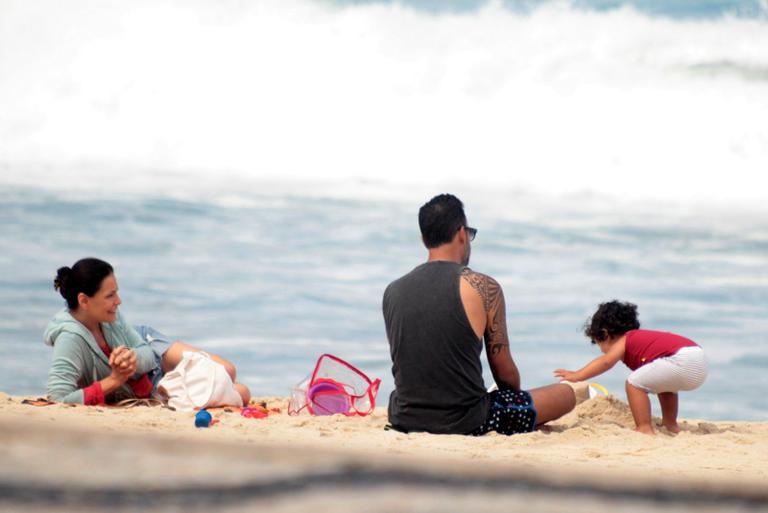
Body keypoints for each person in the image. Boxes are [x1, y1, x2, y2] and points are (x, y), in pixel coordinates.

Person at [383, 194, 576, 435]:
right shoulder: (484, 286)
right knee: (566, 394)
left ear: (424, 240)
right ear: (462, 233)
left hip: (404, 417)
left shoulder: (393, 290)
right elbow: (505, 373)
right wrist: (510, 398)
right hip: (467, 421)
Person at [45, 257, 251, 406]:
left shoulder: (111, 316)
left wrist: (130, 357)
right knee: (241, 392)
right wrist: (114, 380)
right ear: (84, 300)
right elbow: (58, 398)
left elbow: (146, 355)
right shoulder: (70, 338)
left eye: (116, 292)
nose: (118, 301)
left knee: (227, 370)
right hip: (148, 385)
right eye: (110, 295)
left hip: (150, 347)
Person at [554, 300, 708, 435]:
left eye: (597, 342)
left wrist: (578, 375)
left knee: (633, 384)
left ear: (605, 334)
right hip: (698, 359)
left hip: (681, 358)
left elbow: (606, 362)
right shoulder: (641, 341)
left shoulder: (627, 338)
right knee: (665, 387)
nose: (601, 349)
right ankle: (670, 424)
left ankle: (644, 428)